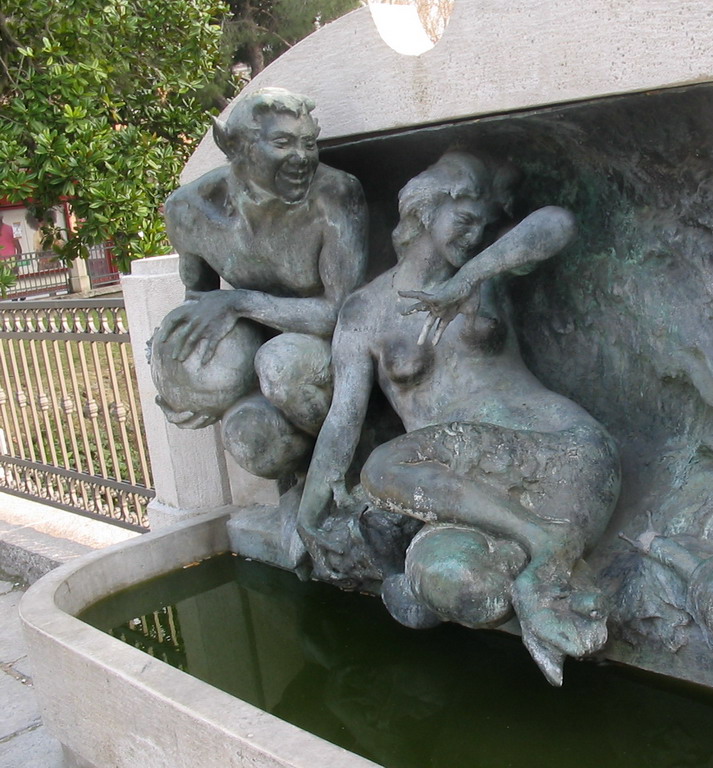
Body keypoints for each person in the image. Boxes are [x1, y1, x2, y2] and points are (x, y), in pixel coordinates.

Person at [297, 151, 620, 684]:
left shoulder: (486, 273)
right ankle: (540, 560)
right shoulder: (365, 311)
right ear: (424, 214)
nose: (473, 235)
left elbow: (558, 223)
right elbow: (342, 420)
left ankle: (544, 544)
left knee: (381, 470)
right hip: (494, 501)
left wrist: (469, 277)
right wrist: (309, 517)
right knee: (460, 586)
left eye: (482, 226)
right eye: (464, 221)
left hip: (566, 454)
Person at [153, 88, 367, 479]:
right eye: (282, 143)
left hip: (334, 347)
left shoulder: (334, 195)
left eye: (308, 143)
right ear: (233, 146)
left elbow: (345, 313)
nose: (301, 158)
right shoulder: (187, 210)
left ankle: (356, 462)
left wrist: (240, 302)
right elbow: (200, 301)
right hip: (259, 353)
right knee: (249, 441)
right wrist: (178, 370)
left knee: (281, 364)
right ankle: (302, 485)